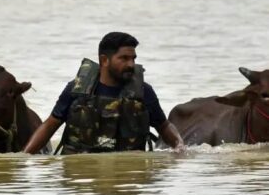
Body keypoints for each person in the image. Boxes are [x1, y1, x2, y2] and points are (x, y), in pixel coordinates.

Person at [23, 32, 184, 154]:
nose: (131, 64)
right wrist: (25, 157)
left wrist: (180, 150)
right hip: (82, 176)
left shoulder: (144, 92)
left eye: (133, 58)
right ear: (104, 60)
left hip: (127, 174)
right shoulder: (76, 90)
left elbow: (164, 126)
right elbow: (50, 125)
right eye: (124, 58)